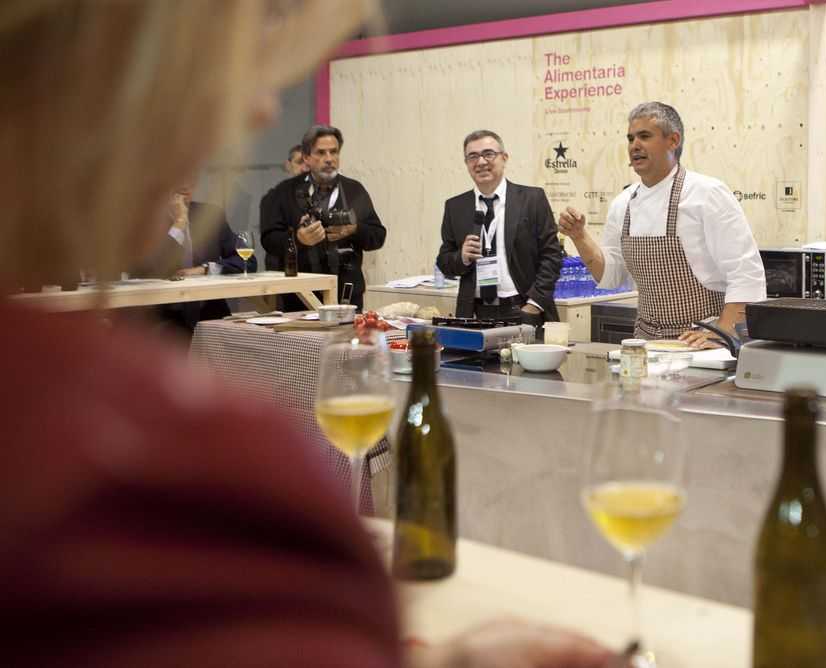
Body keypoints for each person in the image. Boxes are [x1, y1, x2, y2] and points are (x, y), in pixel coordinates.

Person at [0, 2, 611, 667]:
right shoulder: (190, 467)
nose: (263, 108)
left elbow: (377, 237)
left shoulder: (494, 199)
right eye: (225, 60)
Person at [558, 102, 766, 345]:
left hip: (700, 344)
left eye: (645, 136)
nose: (634, 145)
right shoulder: (623, 204)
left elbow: (746, 273)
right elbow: (611, 276)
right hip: (647, 344)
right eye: (630, 138)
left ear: (673, 140)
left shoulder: (707, 194)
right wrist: (580, 237)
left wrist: (723, 334)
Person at [436, 130, 561, 329]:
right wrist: (462, 257)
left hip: (522, 310)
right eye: (473, 156)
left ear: (504, 158)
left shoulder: (532, 199)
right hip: (473, 314)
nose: (481, 162)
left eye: (489, 154)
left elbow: (552, 255)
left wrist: (534, 304)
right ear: (467, 163)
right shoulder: (455, 207)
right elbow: (444, 261)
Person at [260, 125, 385, 311]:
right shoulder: (284, 192)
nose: (329, 159)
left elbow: (377, 236)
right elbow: (269, 240)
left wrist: (354, 229)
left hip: (347, 297)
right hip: (299, 298)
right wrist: (298, 239)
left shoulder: (354, 190)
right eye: (321, 152)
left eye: (333, 152)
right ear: (306, 157)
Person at [138, 181, 257, 334]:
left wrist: (205, 269)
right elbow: (151, 267)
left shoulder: (210, 215)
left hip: (209, 314)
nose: (186, 183)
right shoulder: (148, 219)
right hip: (164, 317)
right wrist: (179, 223)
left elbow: (248, 261)